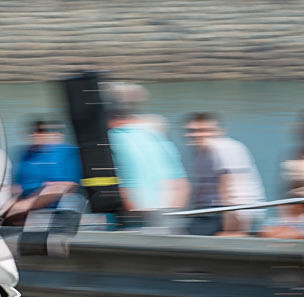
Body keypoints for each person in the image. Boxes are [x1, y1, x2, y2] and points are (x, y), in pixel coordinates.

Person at [105, 82, 189, 230]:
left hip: (136, 220)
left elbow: (124, 186)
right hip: (169, 215)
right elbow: (180, 184)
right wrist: (171, 214)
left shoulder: (112, 138)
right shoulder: (156, 135)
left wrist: (137, 216)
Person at [185, 112, 266, 235]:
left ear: (220, 131)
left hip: (237, 214)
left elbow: (230, 193)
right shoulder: (200, 152)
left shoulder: (225, 148)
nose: (198, 135)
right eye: (192, 131)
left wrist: (231, 232)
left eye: (205, 130)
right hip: (211, 212)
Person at [3, 120, 81, 225]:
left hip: (55, 203)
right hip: (25, 203)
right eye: (34, 131)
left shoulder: (67, 152)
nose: (36, 134)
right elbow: (17, 187)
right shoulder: (26, 154)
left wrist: (26, 205)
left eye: (41, 131)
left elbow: (69, 186)